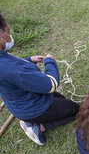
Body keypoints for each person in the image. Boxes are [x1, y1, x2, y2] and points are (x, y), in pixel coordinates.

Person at [0, 13, 79, 145]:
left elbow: (12, 72)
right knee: (76, 109)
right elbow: (51, 84)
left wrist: (29, 60)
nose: (9, 35)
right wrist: (50, 62)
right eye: (8, 31)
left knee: (62, 100)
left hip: (19, 103)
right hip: (31, 108)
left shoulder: (5, 62)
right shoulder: (9, 68)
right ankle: (38, 127)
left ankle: (30, 119)